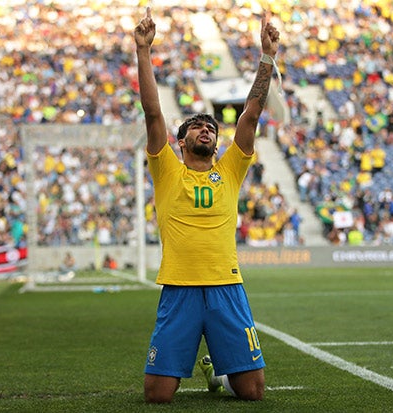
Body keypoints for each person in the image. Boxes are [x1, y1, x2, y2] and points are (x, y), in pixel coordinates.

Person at [134, 7, 279, 404]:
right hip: (179, 288)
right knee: (157, 395)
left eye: (211, 127)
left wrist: (267, 58)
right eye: (197, 126)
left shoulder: (231, 169)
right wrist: (143, 51)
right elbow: (152, 112)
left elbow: (251, 114)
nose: (206, 130)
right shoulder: (167, 170)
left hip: (226, 286)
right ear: (181, 142)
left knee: (253, 391)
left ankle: (218, 371)